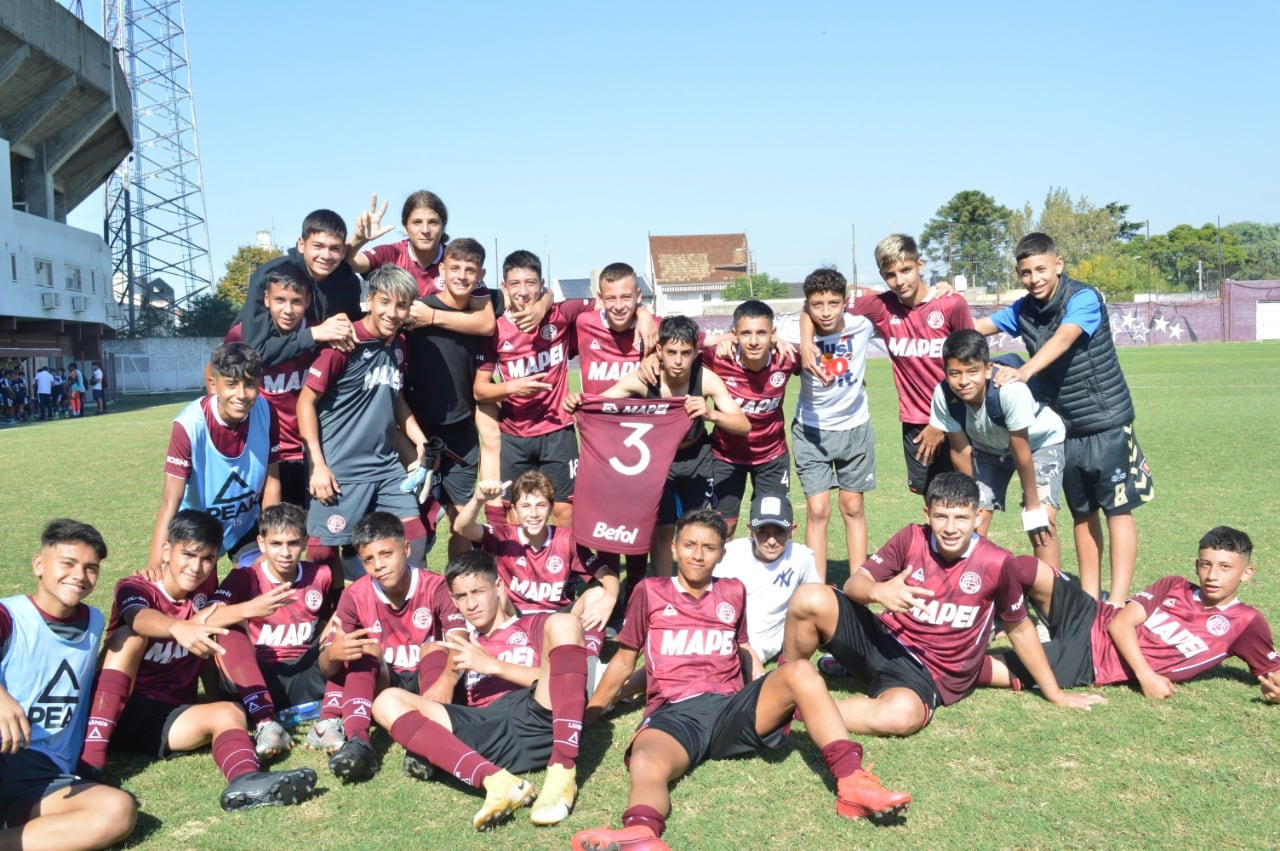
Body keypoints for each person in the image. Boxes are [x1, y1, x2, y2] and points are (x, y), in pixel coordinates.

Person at [572, 508, 911, 851]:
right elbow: (625, 661)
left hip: (730, 707)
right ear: (674, 548)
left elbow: (742, 647)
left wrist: (763, 685)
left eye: (709, 547)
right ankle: (641, 833)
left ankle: (852, 782)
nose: (698, 555)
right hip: (674, 714)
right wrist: (589, 715)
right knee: (647, 761)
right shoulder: (650, 591)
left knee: (801, 671)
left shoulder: (733, 591)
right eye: (689, 545)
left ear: (722, 553)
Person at [780, 473, 1103, 737]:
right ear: (927, 515)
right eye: (941, 516)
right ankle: (781, 686)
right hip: (885, 641)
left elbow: (1019, 628)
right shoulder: (911, 538)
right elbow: (854, 585)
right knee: (810, 596)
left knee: (900, 717)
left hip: (929, 672)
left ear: (978, 517)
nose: (950, 528)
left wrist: (1055, 693)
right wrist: (878, 591)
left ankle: (790, 712)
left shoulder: (998, 562)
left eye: (961, 517)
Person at [78, 510, 318, 811]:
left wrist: (217, 702)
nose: (196, 566)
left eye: (207, 559)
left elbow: (207, 647)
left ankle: (247, 781)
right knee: (129, 637)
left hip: (166, 718)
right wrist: (179, 627)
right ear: (166, 551)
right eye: (188, 555)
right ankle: (90, 763)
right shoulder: (135, 586)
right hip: (115, 709)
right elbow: (137, 618)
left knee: (228, 710)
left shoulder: (205, 590)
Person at [974, 232, 1153, 603]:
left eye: (1041, 269)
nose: (1034, 278)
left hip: (1106, 422)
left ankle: (1116, 602)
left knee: (1117, 511)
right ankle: (1089, 600)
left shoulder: (1083, 297)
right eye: (1025, 272)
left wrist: (1024, 372)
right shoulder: (1022, 310)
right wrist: (941, 300)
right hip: (1064, 429)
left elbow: (1065, 337)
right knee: (1082, 514)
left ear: (1059, 265)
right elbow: (975, 327)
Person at [372, 549, 589, 831]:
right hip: (485, 731)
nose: (471, 604)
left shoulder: (533, 625)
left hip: (537, 717)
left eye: (478, 591)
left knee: (565, 622)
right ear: (453, 600)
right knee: (386, 701)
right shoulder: (460, 649)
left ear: (498, 587)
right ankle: (496, 782)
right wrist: (447, 675)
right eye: (461, 597)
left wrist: (493, 666)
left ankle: (563, 768)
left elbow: (563, 681)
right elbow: (434, 700)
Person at [988, 526, 1280, 703]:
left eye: (1225, 567)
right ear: (1196, 565)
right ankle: (973, 612)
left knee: (980, 669)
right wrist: (1147, 677)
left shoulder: (1245, 623)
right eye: (1206, 565)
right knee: (1022, 566)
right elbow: (1120, 623)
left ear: (1247, 573)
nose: (1212, 576)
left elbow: (1273, 673)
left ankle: (946, 651)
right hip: (1091, 615)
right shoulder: (1174, 585)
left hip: (1092, 662)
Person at [575, 315, 748, 578]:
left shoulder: (706, 380)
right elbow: (601, 404)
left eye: (685, 353)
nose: (678, 361)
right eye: (671, 352)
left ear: (695, 352)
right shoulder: (645, 379)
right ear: (659, 351)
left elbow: (743, 425)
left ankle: (695, 592)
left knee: (697, 529)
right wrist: (578, 401)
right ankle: (666, 592)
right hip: (657, 464)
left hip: (697, 460)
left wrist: (711, 414)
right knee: (663, 529)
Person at [0, 520, 137, 849]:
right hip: (4, 750)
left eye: (91, 568)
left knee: (118, 810)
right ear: (38, 565)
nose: (79, 575)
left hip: (45, 773)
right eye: (68, 563)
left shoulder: (94, 622)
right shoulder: (9, 614)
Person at [800, 235, 973, 496]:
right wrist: (804, 342)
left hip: (958, 416)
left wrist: (941, 422)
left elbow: (973, 369)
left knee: (968, 496)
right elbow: (814, 302)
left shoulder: (951, 304)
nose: (899, 281)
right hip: (915, 422)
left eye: (906, 270)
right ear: (882, 275)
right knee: (933, 499)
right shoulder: (880, 306)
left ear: (920, 264)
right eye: (890, 274)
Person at [297, 265, 432, 577]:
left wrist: (419, 440)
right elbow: (306, 402)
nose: (392, 313)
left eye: (401, 305)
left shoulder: (398, 345)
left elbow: (394, 397)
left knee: (415, 535)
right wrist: (317, 466)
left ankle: (405, 612)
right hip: (340, 469)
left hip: (385, 466)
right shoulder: (344, 343)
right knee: (320, 553)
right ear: (369, 300)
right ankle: (330, 617)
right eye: (385, 302)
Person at [307, 512, 463, 781]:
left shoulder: (436, 586)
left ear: (406, 548)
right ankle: (358, 743)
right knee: (365, 650)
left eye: (386, 554)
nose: (379, 565)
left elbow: (462, 643)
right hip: (383, 684)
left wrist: (447, 682)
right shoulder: (355, 595)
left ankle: (426, 746)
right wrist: (332, 654)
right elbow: (327, 669)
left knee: (436, 649)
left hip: (430, 684)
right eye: (369, 559)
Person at [453, 472, 618, 680]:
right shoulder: (502, 536)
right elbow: (461, 527)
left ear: (550, 509)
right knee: (496, 591)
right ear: (514, 510)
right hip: (514, 617)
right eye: (525, 506)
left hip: (556, 620)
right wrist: (478, 499)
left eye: (540, 505)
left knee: (597, 594)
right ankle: (498, 646)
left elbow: (607, 575)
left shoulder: (567, 539)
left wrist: (610, 597)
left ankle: (589, 664)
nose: (533, 514)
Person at [208, 503, 341, 757]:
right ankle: (265, 722)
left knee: (344, 623)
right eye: (276, 544)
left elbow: (329, 618)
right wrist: (251, 608)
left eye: (292, 543)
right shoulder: (246, 578)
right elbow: (206, 618)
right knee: (230, 630)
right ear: (261, 543)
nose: (285, 553)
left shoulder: (320, 575)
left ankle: (330, 720)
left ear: (304, 542)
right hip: (259, 677)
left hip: (306, 671)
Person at [474, 251, 596, 529]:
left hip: (558, 432)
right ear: (504, 287)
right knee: (517, 514)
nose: (523, 291)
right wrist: (511, 387)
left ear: (541, 284)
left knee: (564, 510)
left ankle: (568, 571)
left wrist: (644, 315)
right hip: (515, 437)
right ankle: (524, 570)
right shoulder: (494, 329)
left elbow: (609, 304)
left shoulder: (560, 314)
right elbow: (480, 391)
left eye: (530, 283)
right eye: (515, 284)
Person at [930, 329, 1066, 567]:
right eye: (955, 373)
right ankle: (973, 589)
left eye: (972, 371)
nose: (963, 381)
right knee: (972, 518)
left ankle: (1052, 597)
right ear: (945, 372)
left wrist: (1033, 505)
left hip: (1038, 444)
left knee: (1041, 523)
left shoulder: (1009, 391)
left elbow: (1021, 450)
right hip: (989, 449)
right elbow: (960, 450)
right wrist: (969, 499)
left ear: (987, 368)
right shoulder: (943, 395)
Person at [775, 268, 877, 580]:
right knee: (818, 509)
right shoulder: (792, 330)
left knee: (853, 505)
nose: (825, 312)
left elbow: (895, 303)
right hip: (811, 431)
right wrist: (804, 340)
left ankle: (858, 582)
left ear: (845, 302)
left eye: (833, 303)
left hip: (855, 428)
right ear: (807, 304)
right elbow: (750, 329)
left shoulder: (862, 326)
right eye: (817, 305)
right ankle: (816, 584)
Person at [148, 342, 280, 572]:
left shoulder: (266, 412)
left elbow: (271, 482)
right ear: (214, 384)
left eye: (250, 385)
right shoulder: (189, 425)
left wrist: (271, 544)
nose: (241, 395)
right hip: (198, 527)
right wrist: (155, 560)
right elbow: (171, 499)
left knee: (264, 579)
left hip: (246, 526)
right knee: (196, 595)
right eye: (231, 384)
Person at [223, 265, 329, 506]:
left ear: (308, 300)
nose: (288, 310)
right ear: (266, 299)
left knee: (304, 534)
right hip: (258, 454)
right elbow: (214, 374)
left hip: (307, 453)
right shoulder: (241, 336)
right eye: (280, 300)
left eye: (296, 301)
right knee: (267, 535)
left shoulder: (321, 334)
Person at [701, 300, 801, 536]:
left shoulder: (787, 358)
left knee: (771, 528)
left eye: (761, 333)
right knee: (723, 527)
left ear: (773, 334)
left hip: (772, 457)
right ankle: (720, 574)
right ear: (734, 334)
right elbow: (678, 354)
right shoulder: (716, 357)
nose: (754, 341)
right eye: (746, 333)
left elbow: (817, 361)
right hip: (725, 457)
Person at [235, 210, 361, 366]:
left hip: (311, 376)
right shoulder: (270, 276)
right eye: (318, 246)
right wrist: (314, 333)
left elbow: (355, 330)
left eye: (334, 248)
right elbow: (255, 352)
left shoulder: (348, 282)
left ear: (343, 251)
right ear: (301, 245)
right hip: (263, 379)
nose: (326, 255)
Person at [713, 494, 819, 667]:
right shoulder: (730, 555)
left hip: (762, 644)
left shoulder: (802, 557)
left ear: (792, 530)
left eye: (780, 532)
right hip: (726, 635)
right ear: (750, 530)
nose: (771, 541)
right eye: (762, 532)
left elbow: (816, 599)